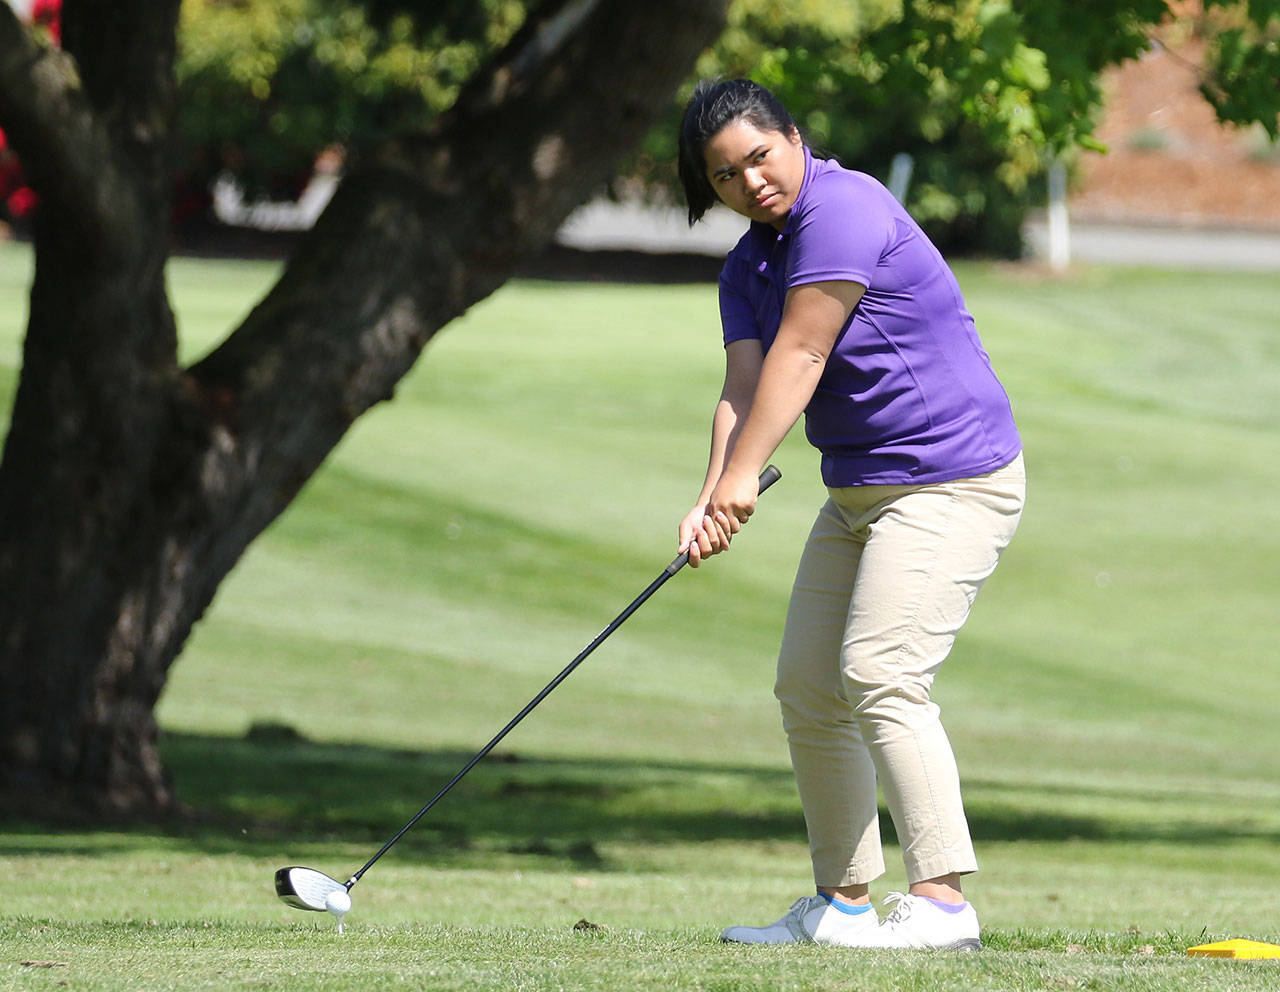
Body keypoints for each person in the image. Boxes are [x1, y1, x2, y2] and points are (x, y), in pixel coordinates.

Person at [674, 79, 1025, 951]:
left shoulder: (846, 206)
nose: (750, 182)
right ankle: (842, 903)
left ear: (793, 137)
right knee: (807, 681)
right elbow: (743, 386)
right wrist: (712, 491)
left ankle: (943, 905)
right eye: (724, 176)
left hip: (951, 478)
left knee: (880, 671)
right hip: (861, 490)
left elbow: (802, 349)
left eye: (759, 156)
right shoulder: (745, 265)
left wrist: (746, 478)